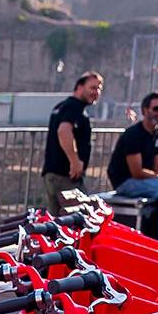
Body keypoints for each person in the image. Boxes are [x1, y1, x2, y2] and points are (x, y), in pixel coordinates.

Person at [108, 92, 158, 245]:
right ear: (144, 110)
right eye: (156, 108)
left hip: (147, 180)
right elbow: (137, 172)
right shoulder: (133, 134)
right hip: (126, 181)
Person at [40, 71, 102, 212]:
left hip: (54, 174)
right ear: (80, 87)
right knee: (83, 218)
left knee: (58, 224)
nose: (96, 92)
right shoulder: (74, 107)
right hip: (65, 176)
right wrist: (74, 161)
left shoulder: (62, 106)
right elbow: (64, 130)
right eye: (93, 88)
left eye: (99, 89)